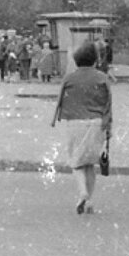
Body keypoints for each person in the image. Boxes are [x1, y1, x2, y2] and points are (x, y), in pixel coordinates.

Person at [51, 41, 114, 215]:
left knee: (77, 163)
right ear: (95, 60)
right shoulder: (102, 78)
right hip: (96, 123)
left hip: (73, 122)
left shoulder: (69, 78)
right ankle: (89, 200)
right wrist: (109, 128)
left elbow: (61, 102)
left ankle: (83, 193)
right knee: (90, 164)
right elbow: (108, 105)